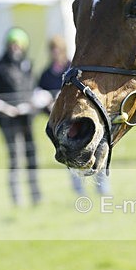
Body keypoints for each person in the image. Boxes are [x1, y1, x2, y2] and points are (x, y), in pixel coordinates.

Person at [37, 34, 111, 197]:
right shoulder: (46, 74)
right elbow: (39, 96)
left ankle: (103, 189)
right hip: (65, 125)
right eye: (52, 49)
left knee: (96, 150)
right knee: (71, 156)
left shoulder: (73, 69)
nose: (55, 52)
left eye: (57, 49)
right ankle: (80, 192)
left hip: (83, 120)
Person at [0, 27, 41, 205]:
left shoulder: (27, 65)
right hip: (8, 119)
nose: (15, 47)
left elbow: (31, 89)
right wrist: (7, 108)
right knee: (15, 157)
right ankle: (16, 199)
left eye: (18, 44)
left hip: (27, 117)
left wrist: (32, 104)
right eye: (12, 43)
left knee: (32, 155)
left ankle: (36, 196)